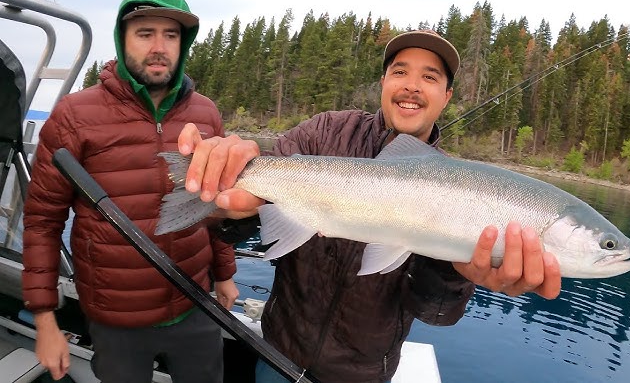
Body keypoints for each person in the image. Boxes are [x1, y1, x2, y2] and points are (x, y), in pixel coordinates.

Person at [178, 29, 562, 382]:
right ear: (383, 82)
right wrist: (224, 208)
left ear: (446, 97)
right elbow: (249, 220)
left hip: (362, 375)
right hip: (279, 351)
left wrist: (455, 269)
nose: (412, 86)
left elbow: (436, 312)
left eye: (430, 77)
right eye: (400, 72)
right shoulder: (322, 133)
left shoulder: (463, 192)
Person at [21, 0, 239, 382]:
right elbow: (42, 222)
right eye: (145, 33)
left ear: (183, 44)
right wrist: (44, 319)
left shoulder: (205, 113)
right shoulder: (74, 116)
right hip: (116, 318)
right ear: (122, 40)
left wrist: (224, 274)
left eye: (171, 35)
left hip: (195, 303)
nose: (159, 46)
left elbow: (214, 204)